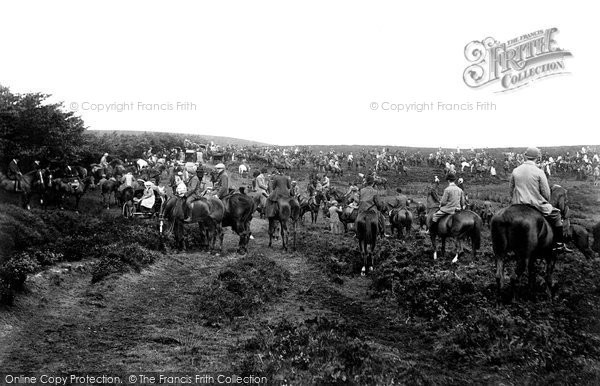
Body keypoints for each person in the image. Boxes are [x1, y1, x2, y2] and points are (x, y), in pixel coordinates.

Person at [509, 147, 572, 252]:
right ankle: (559, 244)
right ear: (537, 158)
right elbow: (546, 194)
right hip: (534, 205)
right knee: (557, 215)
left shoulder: (515, 170)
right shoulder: (539, 172)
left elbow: (511, 190)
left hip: (517, 205)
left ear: (525, 156)